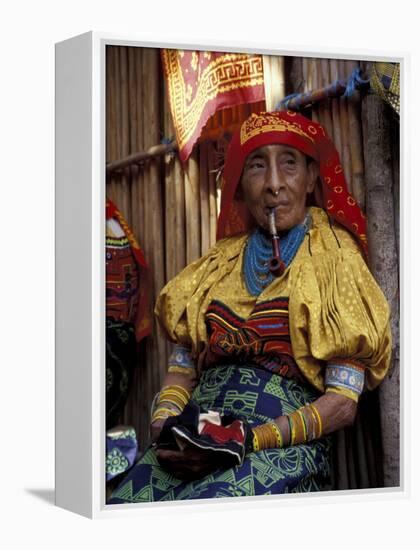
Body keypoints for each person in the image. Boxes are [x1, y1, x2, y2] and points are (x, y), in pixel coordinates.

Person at [108, 111, 391, 503]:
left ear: (311, 178)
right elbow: (181, 371)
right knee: (126, 506)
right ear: (240, 182)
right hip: (199, 436)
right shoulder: (219, 262)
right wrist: (165, 428)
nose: (274, 184)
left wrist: (247, 439)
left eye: (289, 164)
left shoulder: (333, 257)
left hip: (280, 448)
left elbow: (342, 404)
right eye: (258, 166)